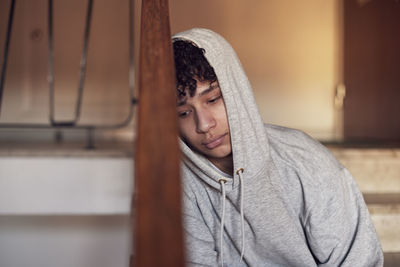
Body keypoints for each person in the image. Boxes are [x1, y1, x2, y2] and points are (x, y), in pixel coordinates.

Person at [172, 28, 383, 266]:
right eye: (184, 112)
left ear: (236, 90)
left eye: (212, 99)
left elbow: (357, 260)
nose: (204, 124)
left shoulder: (305, 161)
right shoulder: (179, 186)